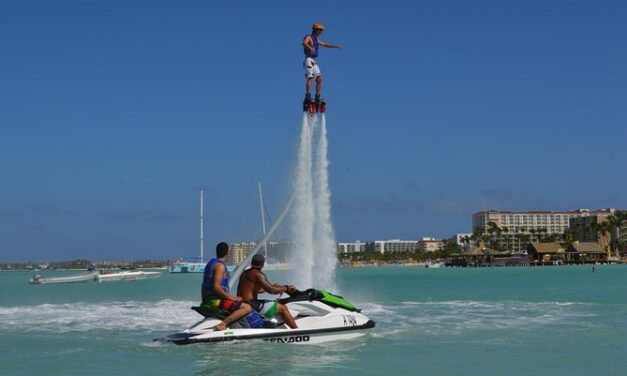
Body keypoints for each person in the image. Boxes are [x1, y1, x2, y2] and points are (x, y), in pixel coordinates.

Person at [237, 254, 299, 329]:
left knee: (276, 304)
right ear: (262, 264)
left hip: (242, 303)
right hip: (251, 305)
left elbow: (257, 290)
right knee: (283, 308)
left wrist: (274, 286)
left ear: (251, 263)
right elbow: (272, 290)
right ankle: (296, 331)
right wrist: (286, 288)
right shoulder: (258, 274)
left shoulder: (245, 273)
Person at [201, 242, 252, 331]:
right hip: (214, 301)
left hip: (208, 299)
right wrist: (232, 298)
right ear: (227, 253)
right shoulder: (220, 266)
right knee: (247, 307)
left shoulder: (210, 264)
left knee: (240, 303)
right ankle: (223, 324)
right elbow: (216, 287)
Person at [302, 23, 342, 103]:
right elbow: (304, 43)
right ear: (316, 30)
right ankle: (308, 95)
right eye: (320, 31)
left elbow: (325, 44)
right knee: (310, 77)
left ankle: (317, 96)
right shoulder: (309, 37)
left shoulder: (316, 39)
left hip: (314, 61)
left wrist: (335, 46)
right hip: (308, 59)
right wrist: (310, 47)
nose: (321, 33)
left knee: (319, 79)